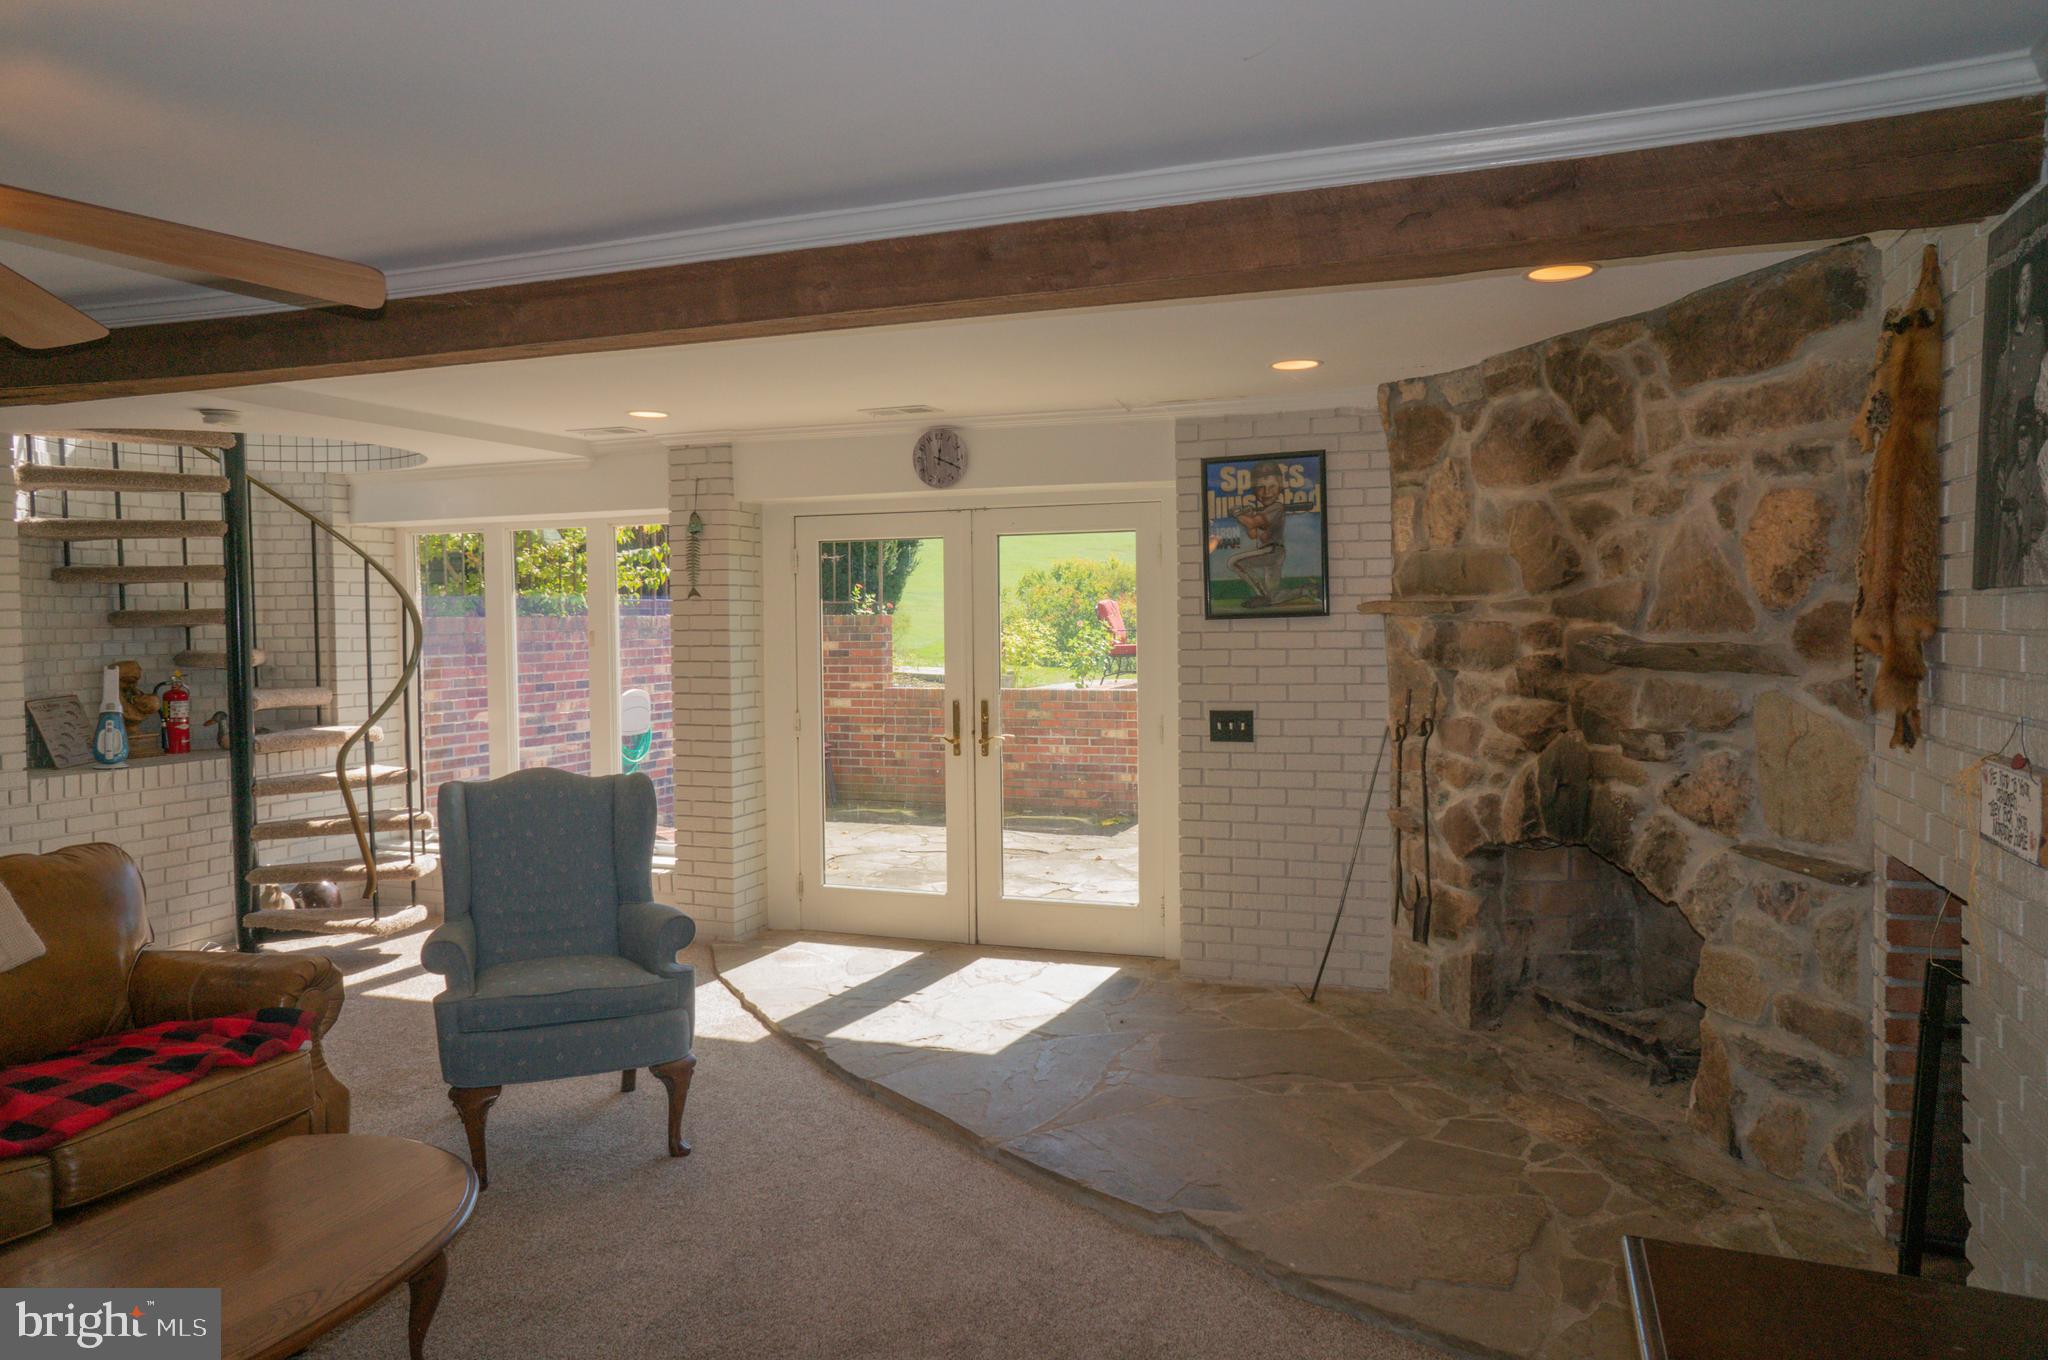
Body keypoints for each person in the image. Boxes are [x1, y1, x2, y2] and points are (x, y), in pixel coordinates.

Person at [1229, 461, 1291, 607]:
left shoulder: (1277, 507)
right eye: (1260, 488)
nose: (1266, 492)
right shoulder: (1264, 511)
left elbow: (1253, 524)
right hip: (1272, 551)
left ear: (1280, 487)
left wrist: (1238, 515)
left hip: (1272, 551)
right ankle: (1305, 591)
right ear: (1254, 490)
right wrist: (1248, 515)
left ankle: (1261, 596)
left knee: (1234, 562)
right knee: (1273, 596)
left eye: (1272, 486)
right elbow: (1253, 533)